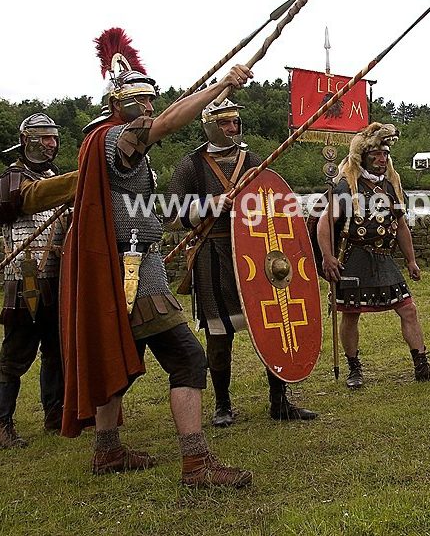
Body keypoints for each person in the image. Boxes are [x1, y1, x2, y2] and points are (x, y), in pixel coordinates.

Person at [60, 28, 252, 487]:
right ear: (116, 106)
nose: (147, 107)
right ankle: (197, 463)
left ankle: (106, 451)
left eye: (151, 100)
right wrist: (222, 86)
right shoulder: (113, 141)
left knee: (119, 356)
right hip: (133, 274)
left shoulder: (126, 153)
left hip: (134, 264)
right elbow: (167, 123)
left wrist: (199, 212)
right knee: (188, 360)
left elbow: (148, 213)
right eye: (139, 101)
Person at [167, 99, 317, 427]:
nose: (232, 128)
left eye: (235, 122)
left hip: (259, 254)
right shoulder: (191, 165)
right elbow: (170, 216)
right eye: (224, 124)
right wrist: (209, 204)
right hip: (214, 258)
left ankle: (280, 402)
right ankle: (222, 405)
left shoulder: (253, 161)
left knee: (272, 328)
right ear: (210, 126)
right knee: (219, 336)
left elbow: (273, 204)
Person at [317, 122, 430, 388]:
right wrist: (327, 257)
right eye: (375, 155)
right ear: (363, 157)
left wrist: (411, 260)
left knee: (408, 309)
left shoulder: (391, 186)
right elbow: (325, 223)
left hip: (384, 259)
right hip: (354, 258)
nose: (381, 159)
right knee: (350, 314)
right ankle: (354, 369)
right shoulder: (347, 185)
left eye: (384, 154)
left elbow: (400, 225)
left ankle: (422, 366)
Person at [0, 114, 77, 448]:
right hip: (25, 276)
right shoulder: (13, 178)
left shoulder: (54, 176)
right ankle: (1, 424)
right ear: (28, 140)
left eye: (54, 138)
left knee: (56, 351)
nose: (51, 144)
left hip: (57, 274)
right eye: (44, 138)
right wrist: (84, 175)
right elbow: (30, 199)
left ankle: (55, 412)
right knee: (16, 355)